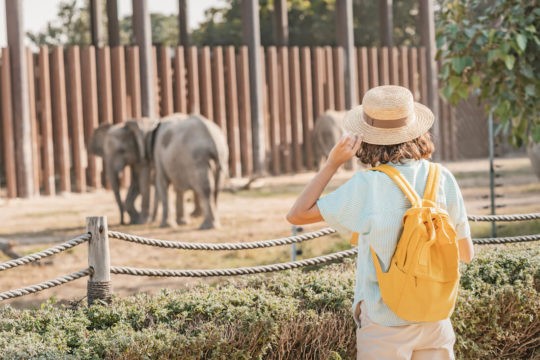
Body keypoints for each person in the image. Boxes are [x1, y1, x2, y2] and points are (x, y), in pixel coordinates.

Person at [287, 85, 474, 360]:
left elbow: (298, 214)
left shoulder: (368, 185)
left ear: (367, 137)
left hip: (385, 322)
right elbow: (466, 254)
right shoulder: (443, 177)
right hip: (436, 319)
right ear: (416, 130)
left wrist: (332, 164)